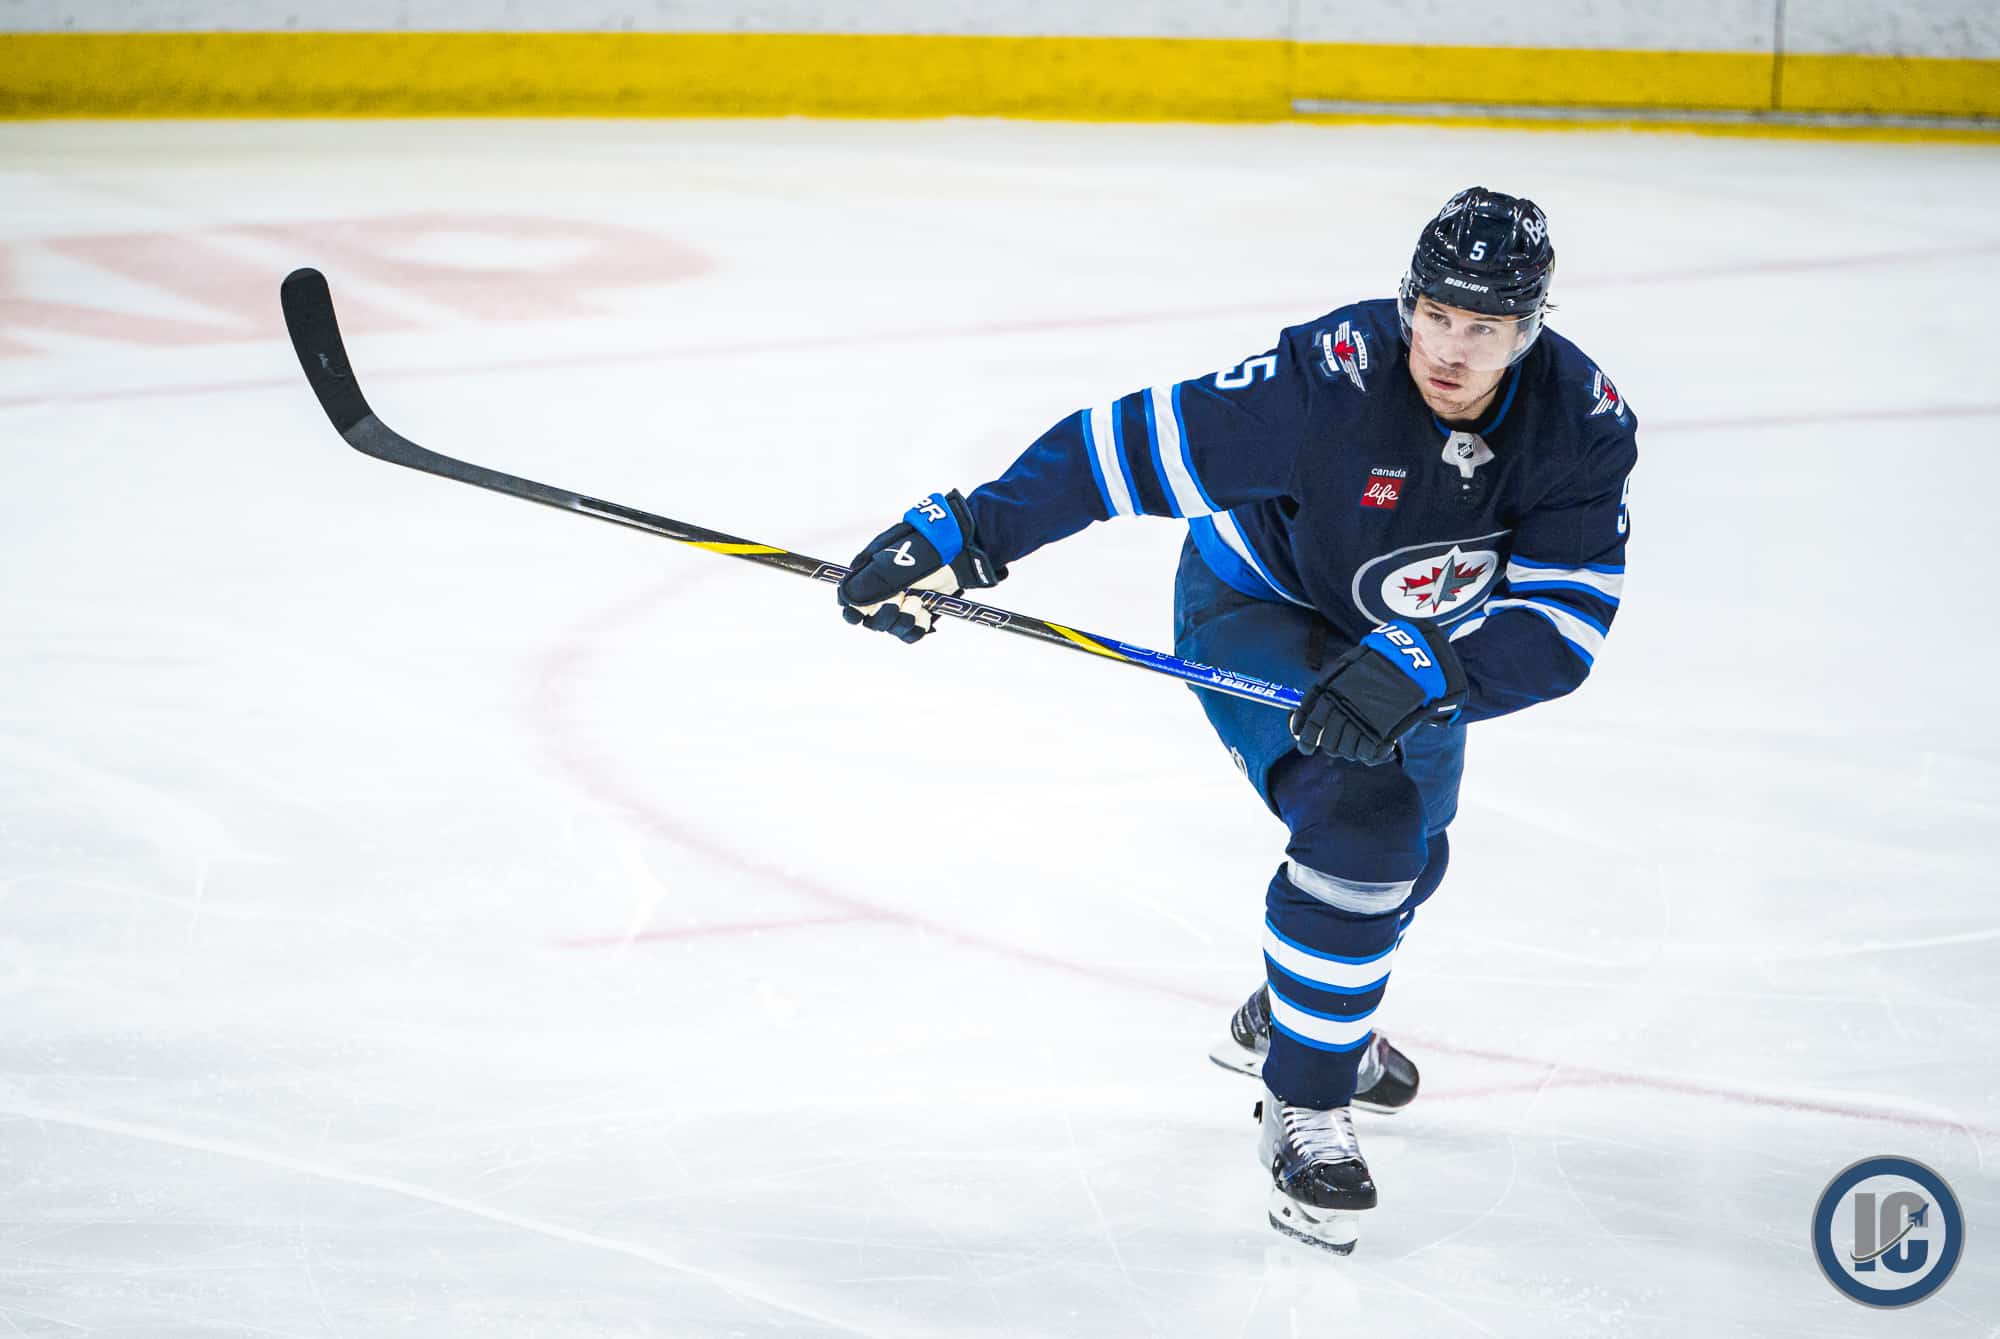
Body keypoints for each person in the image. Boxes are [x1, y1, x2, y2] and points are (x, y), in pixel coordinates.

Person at [834, 187, 1637, 1254]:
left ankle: (1297, 1014)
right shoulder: (1328, 380)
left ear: (1529, 329)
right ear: (1407, 300)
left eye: (1482, 327)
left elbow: (1565, 622)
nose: (1449, 348)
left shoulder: (1578, 422)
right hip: (1258, 606)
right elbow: (1120, 447)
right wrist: (967, 530)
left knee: (1413, 856)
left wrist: (1432, 665)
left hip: (1413, 651)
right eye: (1435, 314)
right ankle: (1305, 1104)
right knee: (1360, 830)